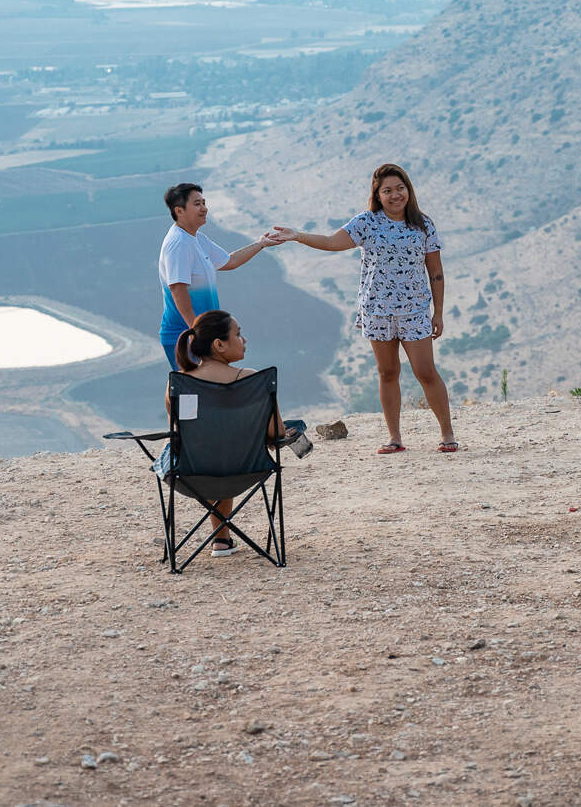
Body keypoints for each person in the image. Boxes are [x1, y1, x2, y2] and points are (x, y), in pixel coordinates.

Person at [270, 163, 458, 454]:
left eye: (400, 188)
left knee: (425, 371)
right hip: (377, 310)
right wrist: (298, 235)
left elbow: (436, 272)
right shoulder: (366, 222)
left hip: (414, 311)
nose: (395, 195)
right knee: (387, 373)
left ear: (409, 190)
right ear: (377, 195)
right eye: (388, 190)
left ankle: (447, 434)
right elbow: (331, 242)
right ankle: (394, 438)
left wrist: (439, 312)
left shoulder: (423, 224)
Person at [169, 309, 299, 555]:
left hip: (192, 472)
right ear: (219, 344)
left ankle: (221, 539)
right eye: (238, 334)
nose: (244, 340)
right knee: (226, 451)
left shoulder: (179, 383)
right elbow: (276, 432)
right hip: (247, 467)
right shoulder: (252, 380)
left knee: (214, 451)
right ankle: (222, 539)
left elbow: (181, 434)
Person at [158, 182, 280, 371]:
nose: (204, 208)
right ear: (179, 211)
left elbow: (229, 261)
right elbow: (177, 288)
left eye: (204, 203)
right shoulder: (178, 242)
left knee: (212, 385)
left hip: (203, 335)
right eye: (197, 204)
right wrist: (195, 331)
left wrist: (261, 244)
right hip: (184, 336)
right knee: (193, 388)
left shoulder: (197, 239)